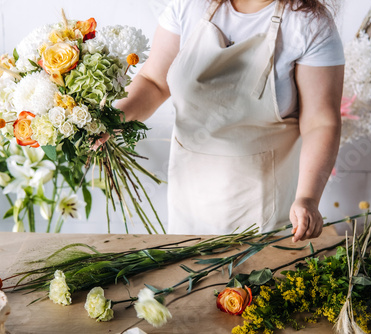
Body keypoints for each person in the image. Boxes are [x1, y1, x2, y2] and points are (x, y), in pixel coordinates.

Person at [116, 0, 344, 242]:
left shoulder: (309, 24)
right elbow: (154, 82)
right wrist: (112, 119)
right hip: (189, 203)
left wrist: (308, 197)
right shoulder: (189, 6)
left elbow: (320, 122)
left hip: (264, 209)